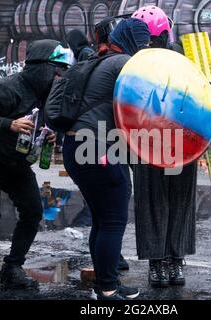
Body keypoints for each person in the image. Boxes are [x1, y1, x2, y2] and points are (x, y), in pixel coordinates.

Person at [0, 40, 72, 293]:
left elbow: (49, 124)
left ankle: (12, 268)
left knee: (33, 212)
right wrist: (9, 124)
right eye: (56, 70)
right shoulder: (9, 87)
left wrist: (51, 136)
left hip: (16, 161)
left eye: (62, 71)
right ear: (40, 67)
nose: (59, 76)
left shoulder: (49, 96)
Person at [60, 18, 150, 300]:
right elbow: (142, 108)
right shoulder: (125, 64)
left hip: (76, 146)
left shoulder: (101, 61)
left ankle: (106, 282)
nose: (145, 48)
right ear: (132, 41)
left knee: (101, 219)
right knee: (112, 221)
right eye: (143, 42)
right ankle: (108, 292)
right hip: (98, 150)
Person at [131, 5, 197, 288]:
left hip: (148, 142)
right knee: (180, 200)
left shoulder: (134, 63)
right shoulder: (184, 60)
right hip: (182, 142)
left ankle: (157, 262)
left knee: (152, 200)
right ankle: (173, 260)